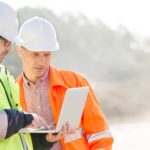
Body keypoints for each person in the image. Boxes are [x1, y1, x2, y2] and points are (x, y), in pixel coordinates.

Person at [17, 16, 114, 150]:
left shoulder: (76, 83)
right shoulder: (12, 92)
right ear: (20, 50)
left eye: (46, 54)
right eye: (35, 54)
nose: (42, 62)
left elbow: (100, 137)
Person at [0, 2, 48, 149]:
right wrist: (26, 118)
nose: (9, 48)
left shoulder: (4, 75)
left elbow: (13, 136)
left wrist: (45, 140)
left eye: (11, 43)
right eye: (6, 42)